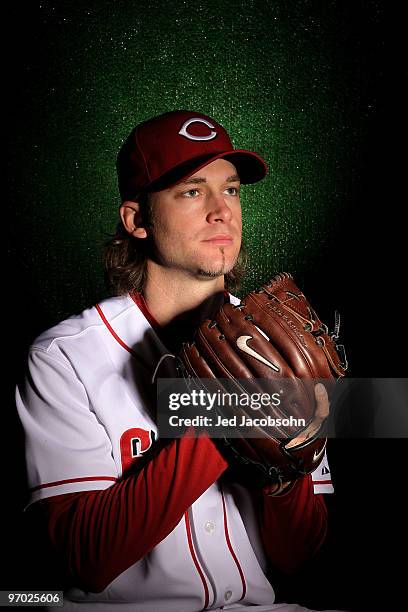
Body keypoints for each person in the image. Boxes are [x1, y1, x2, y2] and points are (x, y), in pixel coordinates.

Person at [16, 110, 342, 612]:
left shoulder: (283, 348)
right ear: (137, 220)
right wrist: (225, 413)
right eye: (192, 191)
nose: (222, 211)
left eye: (230, 190)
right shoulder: (66, 357)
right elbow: (86, 558)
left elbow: (301, 559)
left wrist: (286, 473)